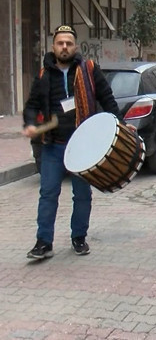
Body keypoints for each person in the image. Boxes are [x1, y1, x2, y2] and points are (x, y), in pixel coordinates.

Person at [22, 24, 125, 260]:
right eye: (60, 43)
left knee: (82, 195)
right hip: (53, 145)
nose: (64, 47)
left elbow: (107, 98)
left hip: (82, 146)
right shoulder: (44, 75)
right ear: (53, 46)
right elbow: (32, 105)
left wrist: (120, 123)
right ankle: (43, 242)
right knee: (48, 194)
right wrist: (30, 123)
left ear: (75, 47)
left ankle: (79, 237)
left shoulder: (89, 70)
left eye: (68, 43)